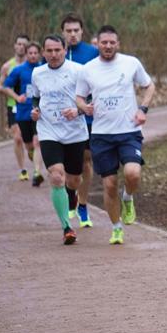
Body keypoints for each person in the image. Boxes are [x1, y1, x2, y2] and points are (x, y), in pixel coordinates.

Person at [75, 25, 155, 245]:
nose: (108, 46)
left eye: (112, 42)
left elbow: (149, 86)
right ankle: (116, 228)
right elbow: (79, 97)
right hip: (102, 135)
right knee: (109, 185)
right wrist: (84, 107)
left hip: (129, 131)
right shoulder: (88, 69)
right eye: (104, 42)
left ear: (118, 44)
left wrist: (143, 109)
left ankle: (128, 197)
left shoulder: (131, 63)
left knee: (133, 174)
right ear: (98, 44)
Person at [30, 35, 89, 245]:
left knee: (74, 180)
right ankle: (67, 228)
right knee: (56, 176)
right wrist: (35, 110)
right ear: (43, 52)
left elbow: (91, 98)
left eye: (57, 50)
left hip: (74, 132)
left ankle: (71, 193)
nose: (53, 54)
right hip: (49, 130)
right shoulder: (37, 73)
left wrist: (78, 111)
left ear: (64, 50)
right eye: (49, 51)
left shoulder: (78, 71)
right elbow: (36, 97)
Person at [61, 13, 99, 228]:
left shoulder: (92, 53)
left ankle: (83, 205)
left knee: (86, 160)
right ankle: (71, 195)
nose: (73, 34)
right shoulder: (56, 53)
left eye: (76, 30)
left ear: (82, 31)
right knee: (67, 167)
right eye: (69, 31)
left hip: (86, 117)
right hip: (62, 119)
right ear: (63, 32)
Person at [1, 41, 46, 186]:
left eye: (35, 53)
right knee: (29, 145)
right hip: (23, 112)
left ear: (40, 54)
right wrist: (17, 97)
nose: (33, 55)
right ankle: (32, 155)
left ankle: (37, 173)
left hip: (39, 111)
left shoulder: (44, 68)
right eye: (30, 53)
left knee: (37, 141)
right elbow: (6, 86)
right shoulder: (18, 70)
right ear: (26, 54)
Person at [0, 35, 29, 181]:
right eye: (19, 44)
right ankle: (23, 170)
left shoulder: (33, 64)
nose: (21, 47)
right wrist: (14, 94)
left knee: (31, 140)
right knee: (17, 138)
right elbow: (0, 87)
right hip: (13, 106)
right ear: (15, 46)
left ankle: (32, 152)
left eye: (24, 44)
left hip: (29, 106)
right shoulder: (7, 66)